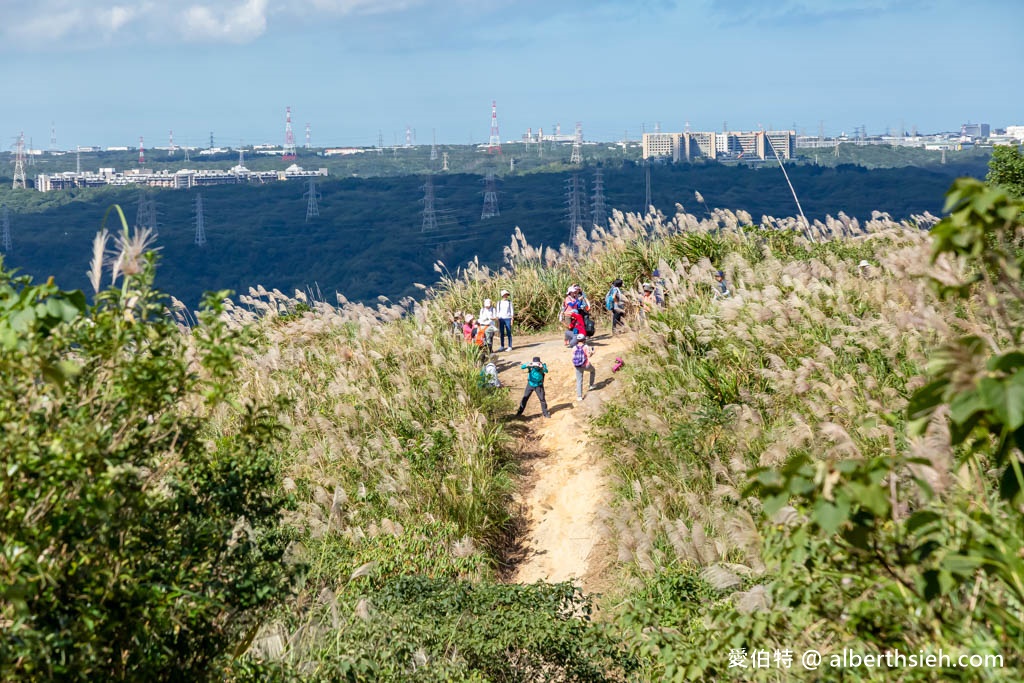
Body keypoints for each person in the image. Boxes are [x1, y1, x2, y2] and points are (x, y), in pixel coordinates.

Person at [571, 333, 596, 401]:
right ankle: (591, 385)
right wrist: (593, 352)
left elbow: (573, 358)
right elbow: (588, 356)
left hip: (577, 366)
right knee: (593, 371)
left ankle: (579, 396)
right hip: (586, 365)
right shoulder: (585, 347)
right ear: (584, 340)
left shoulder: (574, 347)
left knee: (579, 381)